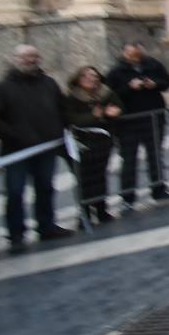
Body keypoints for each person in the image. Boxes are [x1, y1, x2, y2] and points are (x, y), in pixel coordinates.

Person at [0, 45, 75, 253]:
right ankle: (16, 233)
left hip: (46, 148)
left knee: (45, 188)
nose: (30, 60)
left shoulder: (49, 83)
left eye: (34, 56)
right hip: (17, 151)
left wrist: (63, 130)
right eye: (25, 57)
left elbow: (62, 109)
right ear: (15, 59)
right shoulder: (0, 88)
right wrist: (14, 135)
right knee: (15, 192)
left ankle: (47, 225)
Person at [107, 42, 169, 205]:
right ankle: (128, 196)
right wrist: (129, 87)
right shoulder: (116, 72)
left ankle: (158, 189)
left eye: (138, 54)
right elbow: (110, 94)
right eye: (132, 55)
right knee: (129, 159)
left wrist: (155, 84)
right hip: (128, 122)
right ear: (125, 54)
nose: (135, 58)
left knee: (155, 156)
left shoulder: (153, 64)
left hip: (153, 118)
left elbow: (167, 82)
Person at [63, 66, 122, 224]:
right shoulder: (72, 97)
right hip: (82, 143)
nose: (92, 79)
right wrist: (93, 116)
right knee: (84, 179)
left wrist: (115, 112)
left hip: (103, 141)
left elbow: (118, 107)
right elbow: (71, 119)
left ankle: (102, 209)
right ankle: (85, 213)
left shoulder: (105, 92)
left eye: (94, 76)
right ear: (79, 79)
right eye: (87, 76)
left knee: (100, 176)